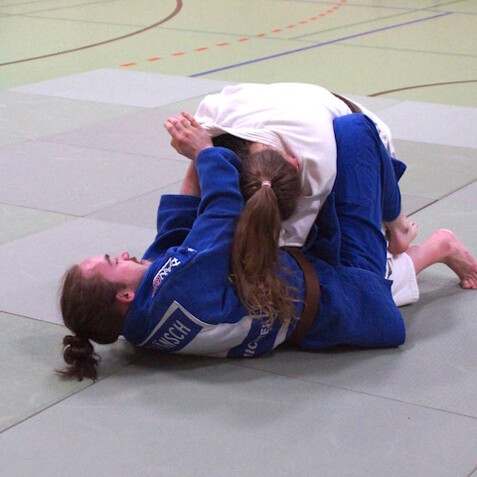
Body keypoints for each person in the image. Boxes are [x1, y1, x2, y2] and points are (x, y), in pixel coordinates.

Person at [58, 113, 477, 381]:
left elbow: (179, 228)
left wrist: (204, 145)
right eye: (113, 261)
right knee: (356, 132)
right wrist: (205, 152)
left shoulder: (143, 320)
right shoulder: (176, 293)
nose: (123, 254)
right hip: (342, 291)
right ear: (124, 295)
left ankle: (432, 249)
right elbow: (221, 214)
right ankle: (405, 231)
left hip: (307, 280)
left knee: (297, 191)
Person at [194, 82, 419, 305]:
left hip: (370, 145)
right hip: (301, 106)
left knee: (345, 274)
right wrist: (201, 152)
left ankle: (399, 227)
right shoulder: (217, 119)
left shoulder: (317, 161)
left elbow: (287, 248)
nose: (296, 161)